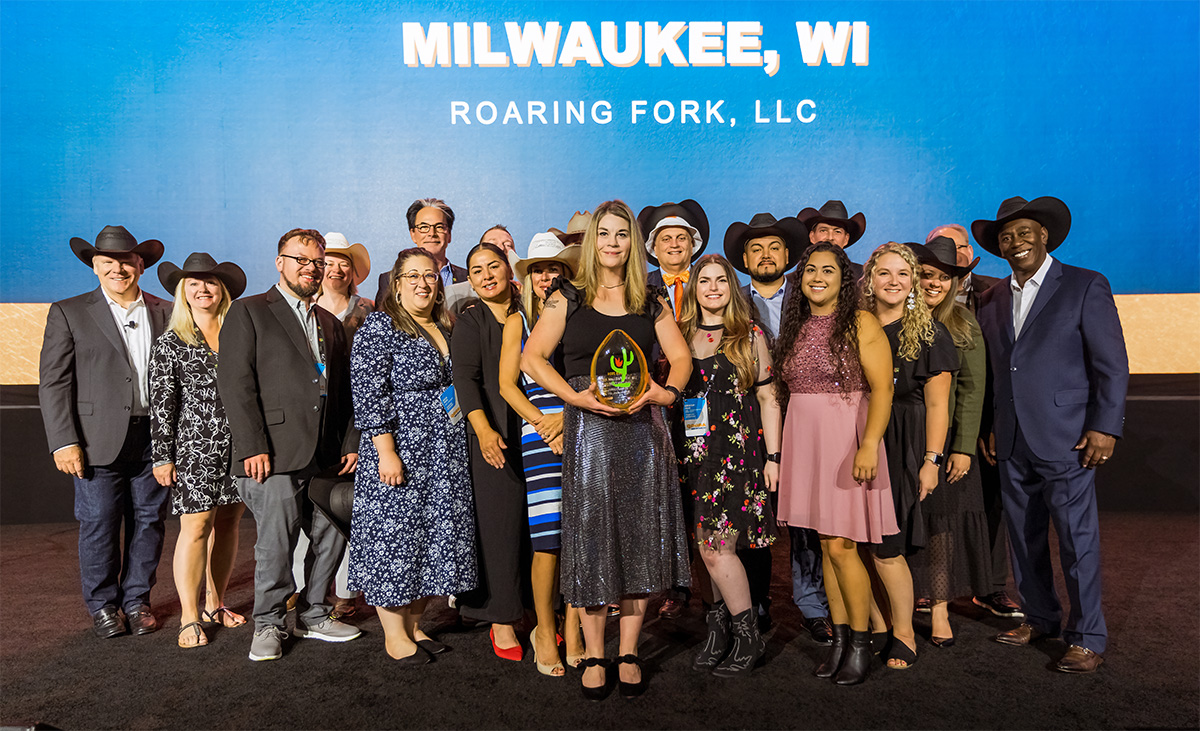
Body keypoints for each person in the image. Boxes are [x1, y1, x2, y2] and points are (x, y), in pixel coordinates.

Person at [521, 200, 692, 700]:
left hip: (642, 434)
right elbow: (532, 358)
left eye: (622, 235)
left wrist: (668, 393)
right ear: (592, 242)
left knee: (638, 543)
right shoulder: (566, 297)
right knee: (593, 544)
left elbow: (679, 357)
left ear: (632, 244)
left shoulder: (649, 299)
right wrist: (572, 397)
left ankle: (630, 652)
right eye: (605, 234)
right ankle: (596, 653)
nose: (613, 242)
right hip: (590, 436)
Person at [972, 196, 1128, 673]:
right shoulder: (993, 297)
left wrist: (1104, 425)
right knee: (1024, 537)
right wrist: (993, 428)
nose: (1015, 242)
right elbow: (997, 373)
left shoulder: (1084, 285)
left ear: (1044, 236)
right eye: (1006, 237)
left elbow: (1112, 364)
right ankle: (1040, 616)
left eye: (1024, 233)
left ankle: (1087, 636)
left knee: (1076, 541)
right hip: (1012, 438)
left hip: (1068, 438)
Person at [217, 228, 362, 662]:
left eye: (317, 262)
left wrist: (350, 440)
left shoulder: (330, 324)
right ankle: (269, 622)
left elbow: (346, 392)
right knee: (276, 543)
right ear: (280, 262)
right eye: (300, 259)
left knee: (332, 532)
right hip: (272, 455)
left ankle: (316, 613)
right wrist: (251, 446)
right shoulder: (248, 312)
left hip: (325, 453)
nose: (310, 268)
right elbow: (236, 384)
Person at [39, 225, 173, 638]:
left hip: (155, 436)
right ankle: (102, 606)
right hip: (95, 439)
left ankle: (136, 601)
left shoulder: (167, 311)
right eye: (108, 261)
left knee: (149, 520)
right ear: (95, 267)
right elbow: (54, 381)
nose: (118, 268)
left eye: (126, 260)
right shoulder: (69, 311)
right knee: (99, 521)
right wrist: (64, 440)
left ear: (141, 265)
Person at [773, 243, 895, 685]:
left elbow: (882, 389)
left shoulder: (860, 322)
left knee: (843, 547)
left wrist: (868, 446)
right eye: (810, 270)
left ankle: (861, 644)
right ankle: (841, 640)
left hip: (846, 441)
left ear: (845, 279)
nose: (818, 277)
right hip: (806, 442)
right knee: (827, 546)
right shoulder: (797, 325)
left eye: (829, 270)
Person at [349, 247, 478, 664]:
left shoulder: (446, 325)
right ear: (397, 285)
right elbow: (369, 394)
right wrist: (386, 451)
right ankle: (393, 634)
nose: (424, 283)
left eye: (430, 275)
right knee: (397, 541)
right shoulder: (380, 327)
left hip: (445, 450)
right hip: (401, 448)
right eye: (413, 276)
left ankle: (415, 625)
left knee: (432, 539)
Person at [723, 212, 832, 644]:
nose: (765, 255)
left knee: (807, 519)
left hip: (808, 417)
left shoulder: (811, 297)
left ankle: (813, 605)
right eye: (756, 248)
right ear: (744, 259)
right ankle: (757, 603)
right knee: (754, 516)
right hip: (752, 422)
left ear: (788, 255)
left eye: (773, 248)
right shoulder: (734, 304)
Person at [676, 254, 782, 677]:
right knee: (704, 546)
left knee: (720, 549)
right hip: (693, 454)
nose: (714, 287)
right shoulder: (681, 335)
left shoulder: (749, 334)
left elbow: (769, 397)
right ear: (695, 287)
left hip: (735, 453)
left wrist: (774, 457)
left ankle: (748, 633)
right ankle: (717, 630)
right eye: (706, 280)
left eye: (722, 280)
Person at [860, 242, 958, 670]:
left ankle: (903, 632)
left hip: (902, 441)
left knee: (886, 545)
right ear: (870, 279)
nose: (894, 281)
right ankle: (877, 626)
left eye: (903, 273)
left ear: (914, 281)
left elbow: (939, 405)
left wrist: (932, 460)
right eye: (885, 273)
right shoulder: (856, 328)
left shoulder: (932, 334)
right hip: (857, 435)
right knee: (850, 542)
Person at [148, 253, 249, 648]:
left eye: (210, 282)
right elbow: (162, 405)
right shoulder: (170, 343)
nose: (202, 288)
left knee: (228, 524)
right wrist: (163, 455)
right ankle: (189, 617)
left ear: (221, 290)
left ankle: (215, 604)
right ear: (182, 291)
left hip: (240, 447)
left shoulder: (240, 334)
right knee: (195, 528)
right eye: (193, 283)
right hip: (194, 450)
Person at [926, 223, 1022, 619]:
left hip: (982, 417)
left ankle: (989, 587)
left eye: (959, 247)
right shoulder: (904, 306)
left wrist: (974, 436)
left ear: (970, 256)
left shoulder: (993, 293)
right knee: (929, 512)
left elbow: (980, 380)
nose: (953, 254)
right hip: (921, 425)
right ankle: (927, 589)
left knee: (981, 507)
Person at [499, 232, 584, 675]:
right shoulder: (518, 321)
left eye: (554, 269)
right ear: (529, 279)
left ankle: (573, 628)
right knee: (548, 538)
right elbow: (506, 384)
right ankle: (544, 628)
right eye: (539, 271)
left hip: (585, 425)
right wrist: (542, 422)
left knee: (579, 535)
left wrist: (568, 418)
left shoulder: (582, 315)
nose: (546, 277)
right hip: (540, 432)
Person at [904, 239, 994, 647]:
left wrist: (962, 447)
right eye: (926, 275)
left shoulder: (962, 322)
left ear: (955, 282)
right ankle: (903, 606)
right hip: (901, 436)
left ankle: (940, 610)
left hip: (946, 441)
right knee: (902, 524)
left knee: (941, 525)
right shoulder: (894, 319)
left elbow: (973, 390)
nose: (934, 283)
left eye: (943, 277)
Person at [451, 242, 530, 662]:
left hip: (535, 433)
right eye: (476, 270)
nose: (485, 275)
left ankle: (535, 611)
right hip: (493, 433)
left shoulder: (532, 313)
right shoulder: (471, 322)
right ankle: (501, 617)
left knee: (534, 527)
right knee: (499, 526)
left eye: (493, 266)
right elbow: (464, 380)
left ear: (508, 269)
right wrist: (481, 430)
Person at [307, 232, 374, 619]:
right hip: (308, 426)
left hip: (352, 421)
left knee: (347, 507)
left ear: (353, 271)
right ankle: (305, 590)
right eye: (327, 261)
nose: (334, 268)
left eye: (342, 262)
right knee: (307, 512)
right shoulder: (302, 309)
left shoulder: (366, 311)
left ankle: (346, 592)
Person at [375, 198, 467, 303]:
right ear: (413, 234)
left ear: (449, 235)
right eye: (424, 227)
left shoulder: (468, 278)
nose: (432, 233)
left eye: (440, 227)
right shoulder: (389, 279)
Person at [639, 199, 710, 320]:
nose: (674, 244)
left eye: (681, 238)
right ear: (654, 248)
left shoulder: (710, 284)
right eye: (666, 239)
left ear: (692, 244)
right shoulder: (641, 287)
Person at [798, 200, 867, 279]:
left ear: (846, 239)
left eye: (837, 232)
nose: (830, 237)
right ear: (812, 236)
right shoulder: (793, 280)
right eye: (823, 230)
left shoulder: (863, 279)